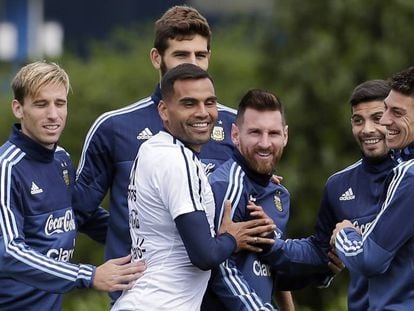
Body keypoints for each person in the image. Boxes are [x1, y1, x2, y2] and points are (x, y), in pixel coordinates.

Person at [74, 5, 236, 303]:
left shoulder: (235, 126)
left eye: (200, 55)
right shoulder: (115, 127)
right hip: (149, 294)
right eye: (181, 55)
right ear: (156, 58)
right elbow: (77, 212)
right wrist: (133, 235)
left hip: (222, 296)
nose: (193, 64)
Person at [111, 63, 275, 310]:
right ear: (164, 110)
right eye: (189, 104)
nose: (203, 113)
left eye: (209, 103)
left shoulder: (152, 148)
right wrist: (233, 238)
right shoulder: (178, 160)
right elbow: (204, 255)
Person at [0, 61, 145, 311]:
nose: (53, 115)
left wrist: (151, 239)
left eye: (60, 103)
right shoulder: (7, 168)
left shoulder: (61, 160)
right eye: (41, 104)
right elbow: (9, 253)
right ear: (18, 108)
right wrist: (88, 276)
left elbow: (79, 216)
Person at [253, 80, 393, 311]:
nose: (367, 129)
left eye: (377, 118)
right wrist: (268, 242)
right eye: (358, 120)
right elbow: (320, 253)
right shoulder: (339, 185)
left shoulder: (408, 175)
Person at [201, 89, 295, 310]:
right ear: (235, 135)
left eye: (273, 133)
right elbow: (219, 268)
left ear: (285, 136)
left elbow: (274, 266)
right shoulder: (227, 186)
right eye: (254, 133)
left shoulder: (280, 194)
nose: (264, 143)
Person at [333, 66, 414, 310]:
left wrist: (344, 234)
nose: (386, 120)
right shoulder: (338, 183)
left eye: (397, 112)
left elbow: (370, 259)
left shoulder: (408, 174)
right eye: (386, 109)